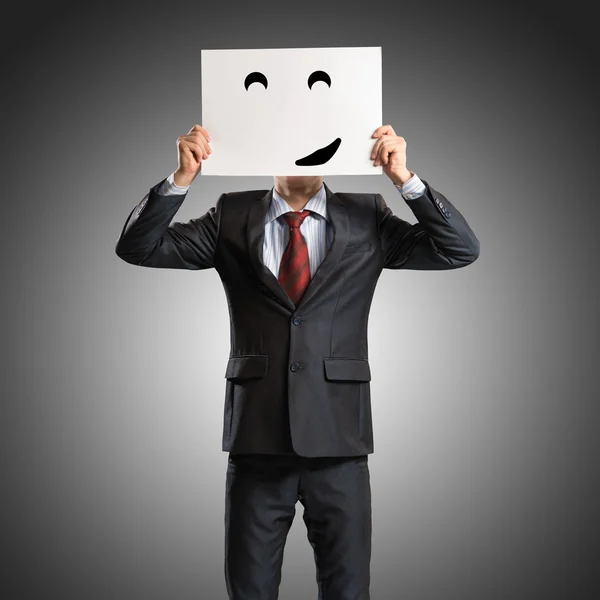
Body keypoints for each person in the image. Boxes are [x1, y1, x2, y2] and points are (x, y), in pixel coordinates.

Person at [115, 123, 480, 600]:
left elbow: (459, 249)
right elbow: (137, 247)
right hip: (256, 442)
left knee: (348, 590)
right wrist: (180, 179)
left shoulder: (366, 214)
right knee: (250, 590)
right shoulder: (232, 213)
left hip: (340, 443)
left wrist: (404, 179)